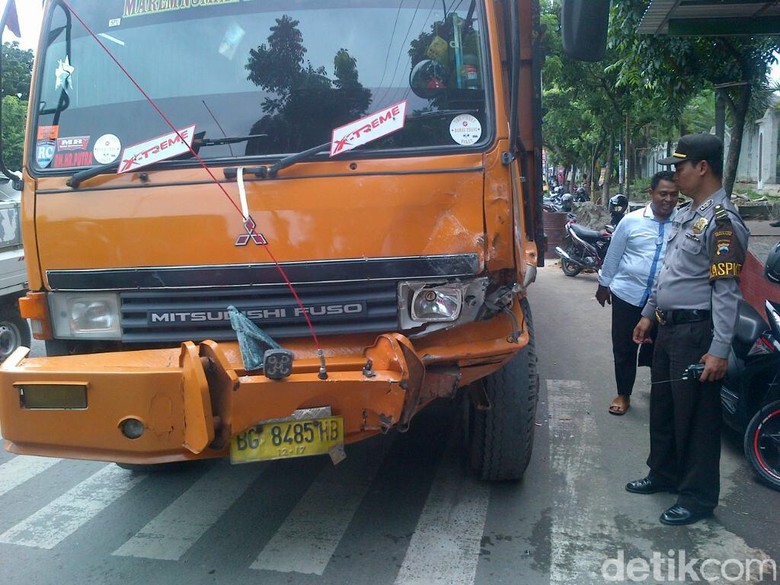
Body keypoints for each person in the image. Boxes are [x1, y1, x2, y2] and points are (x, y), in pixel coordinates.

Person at [629, 133, 748, 526]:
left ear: (702, 167)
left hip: (697, 333)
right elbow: (667, 271)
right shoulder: (686, 214)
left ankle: (697, 498)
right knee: (662, 407)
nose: (674, 173)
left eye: (680, 166)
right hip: (667, 329)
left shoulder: (722, 222)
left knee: (696, 419)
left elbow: (727, 291)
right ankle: (663, 474)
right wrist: (648, 311)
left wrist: (719, 350)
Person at [596, 171, 679, 416]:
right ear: (651, 193)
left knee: (660, 351)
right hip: (627, 295)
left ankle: (660, 395)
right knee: (623, 348)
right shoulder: (631, 221)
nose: (668, 199)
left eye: (674, 195)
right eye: (663, 193)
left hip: (664, 300)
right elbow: (614, 255)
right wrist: (603, 285)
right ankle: (623, 393)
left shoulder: (683, 222)